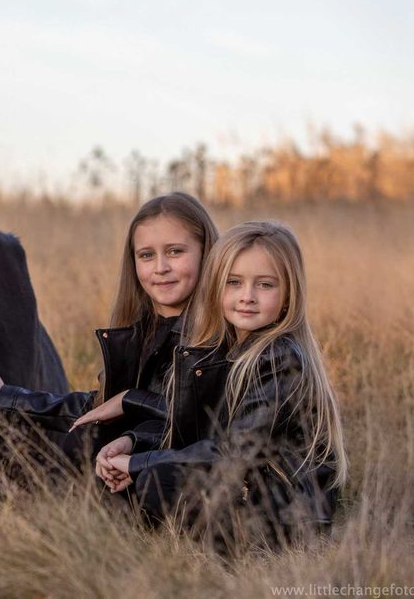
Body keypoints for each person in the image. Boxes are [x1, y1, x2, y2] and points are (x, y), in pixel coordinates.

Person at [96, 221, 347, 546]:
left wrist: (139, 463)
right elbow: (192, 424)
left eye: (265, 285)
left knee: (162, 480)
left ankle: (211, 556)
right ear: (215, 288)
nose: (247, 297)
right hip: (247, 488)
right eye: (234, 283)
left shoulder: (281, 358)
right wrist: (133, 442)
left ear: (289, 293)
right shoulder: (223, 349)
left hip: (289, 510)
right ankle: (151, 547)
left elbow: (236, 452)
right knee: (124, 477)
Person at [0, 192, 219, 460]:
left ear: (205, 252)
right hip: (133, 465)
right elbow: (100, 407)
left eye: (175, 251)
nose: (160, 267)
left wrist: (130, 402)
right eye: (147, 255)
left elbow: (200, 422)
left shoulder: (221, 334)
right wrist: (6, 398)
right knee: (79, 437)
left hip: (179, 474)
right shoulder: (141, 333)